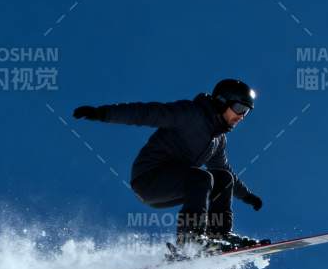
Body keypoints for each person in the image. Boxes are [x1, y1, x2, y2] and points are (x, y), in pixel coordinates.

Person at [72, 78, 268, 253]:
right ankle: (189, 240)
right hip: (148, 178)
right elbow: (145, 114)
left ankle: (219, 235)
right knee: (201, 177)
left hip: (177, 183)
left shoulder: (218, 140)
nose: (242, 116)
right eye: (240, 109)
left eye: (247, 113)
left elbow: (226, 171)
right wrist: (101, 113)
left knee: (224, 179)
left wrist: (248, 196)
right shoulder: (190, 114)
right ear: (222, 101)